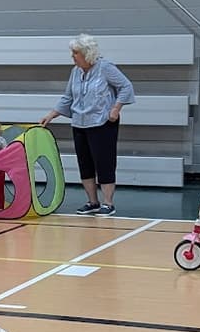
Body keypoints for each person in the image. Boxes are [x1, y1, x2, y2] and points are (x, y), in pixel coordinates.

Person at [40, 34, 134, 215]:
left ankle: (108, 203)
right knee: (85, 164)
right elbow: (68, 97)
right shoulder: (75, 72)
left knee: (104, 162)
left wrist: (116, 108)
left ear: (86, 53)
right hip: (79, 124)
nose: (72, 56)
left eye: (75, 53)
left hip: (102, 123)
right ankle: (93, 202)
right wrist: (52, 115)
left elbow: (126, 87)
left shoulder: (105, 68)